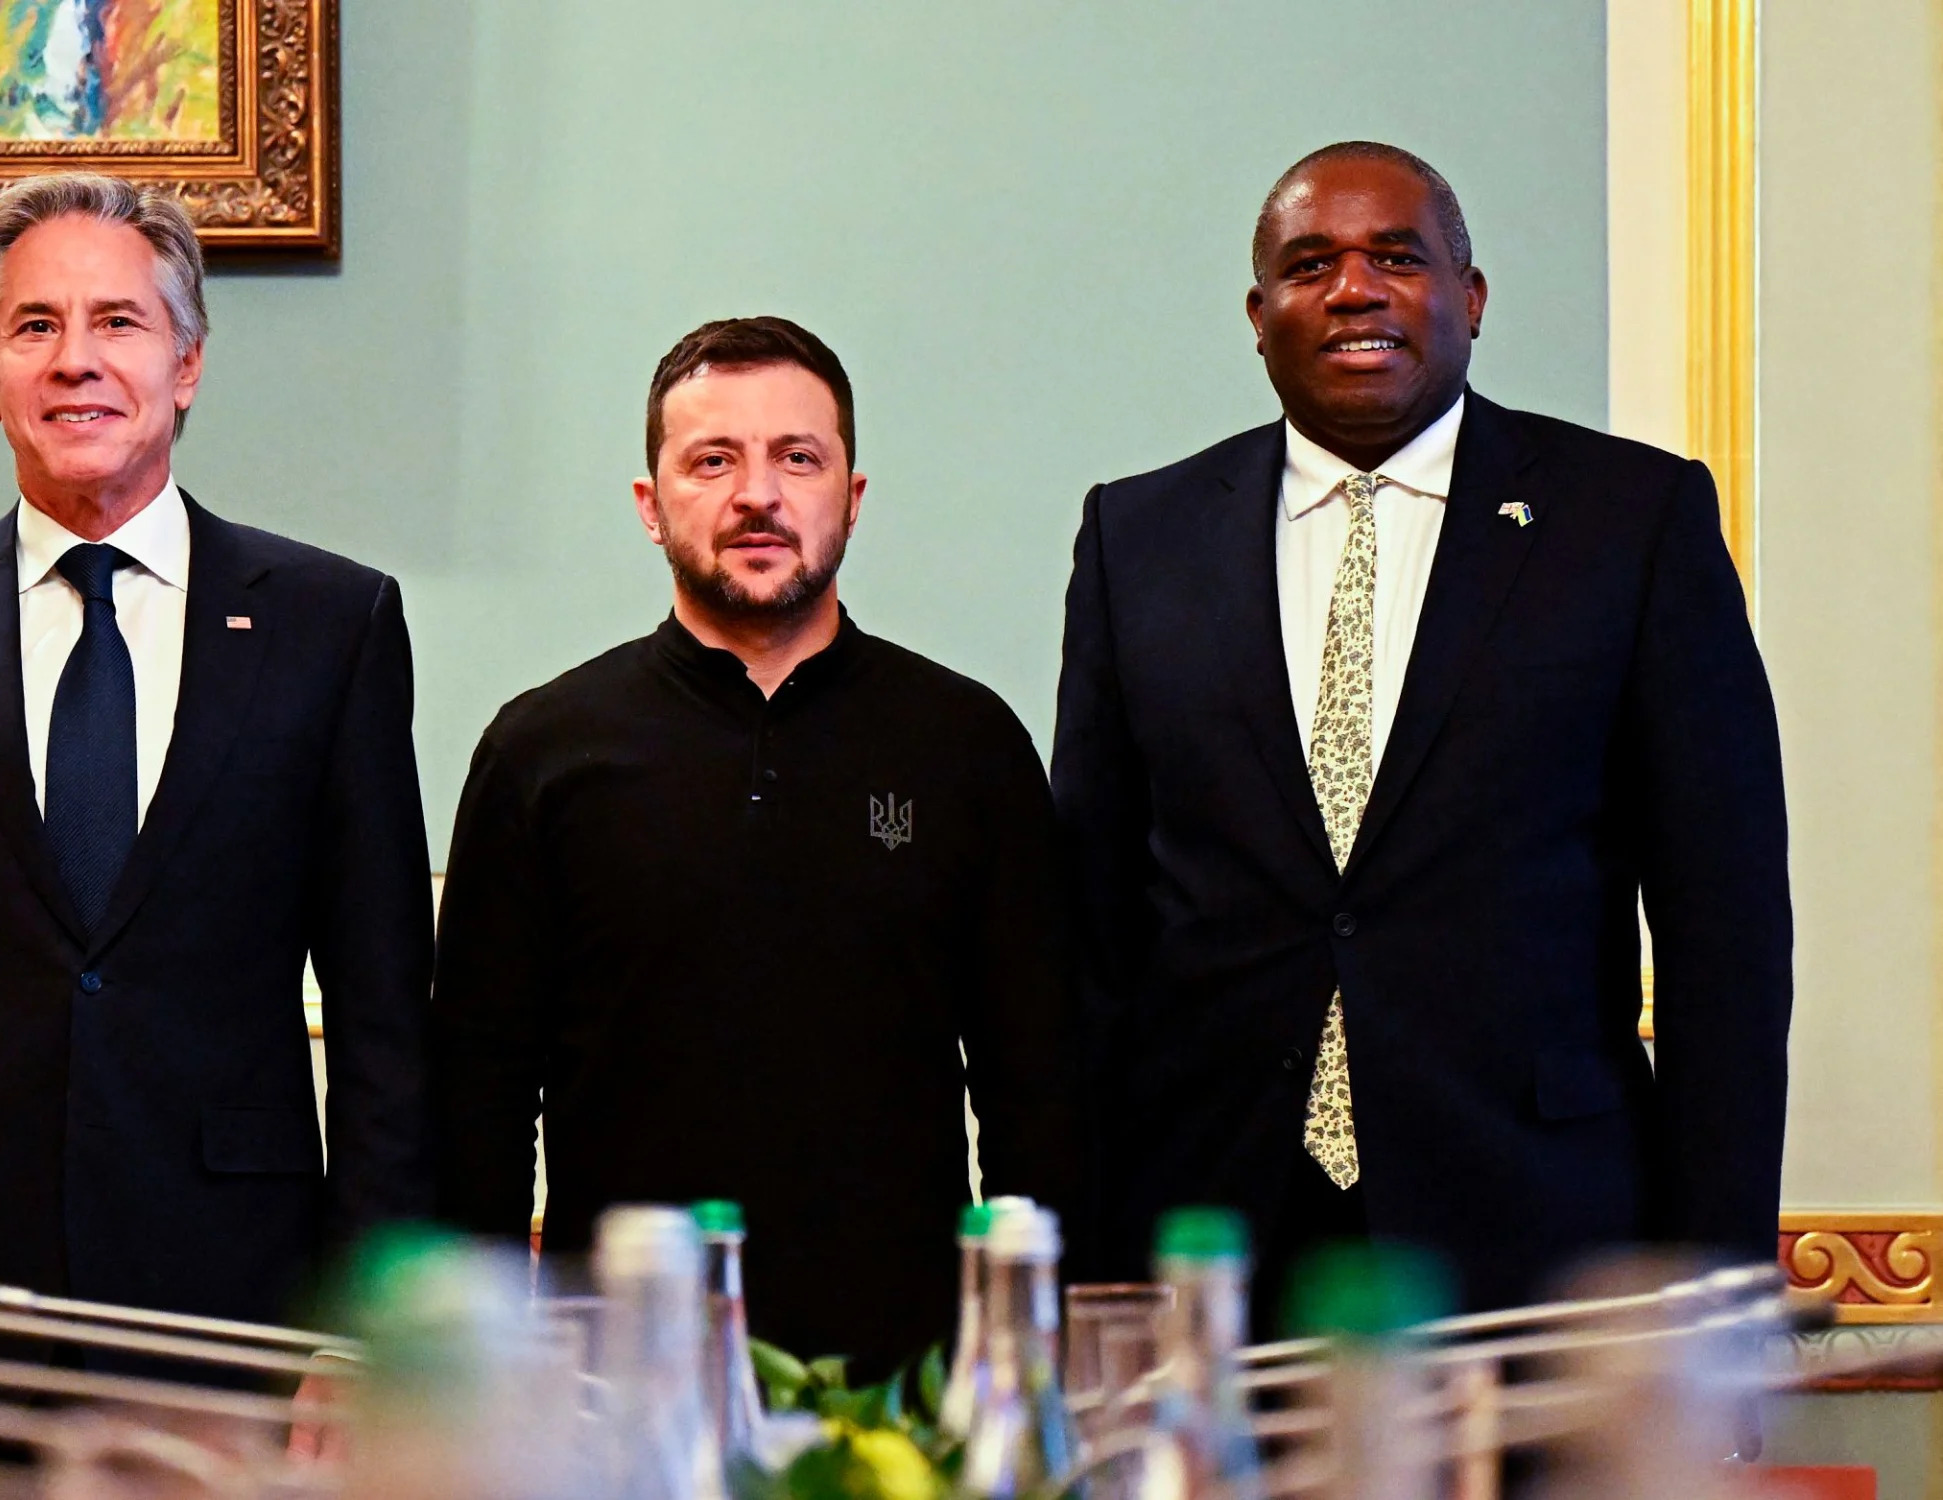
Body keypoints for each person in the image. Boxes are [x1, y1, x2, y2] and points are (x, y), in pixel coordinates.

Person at [0, 173, 434, 1495]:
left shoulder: (329, 627)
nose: (75, 360)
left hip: (237, 1314)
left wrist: (365, 1332)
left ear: (186, 366)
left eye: (117, 321)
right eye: (33, 326)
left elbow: (387, 1019)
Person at [1051, 142, 1790, 1330]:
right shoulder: (1137, 538)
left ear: (1470, 297)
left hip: (1539, 1237)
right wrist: (1081, 1274)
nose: (1353, 288)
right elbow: (1087, 936)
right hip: (1213, 1235)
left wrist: (1718, 1294)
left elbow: (1725, 938)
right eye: (1310, 265)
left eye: (1396, 257)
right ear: (1257, 315)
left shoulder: (1629, 521)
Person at [430, 316, 1079, 1373]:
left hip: (906, 1376)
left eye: (796, 458)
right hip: (617, 1377)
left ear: (851, 499)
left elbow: (1035, 1086)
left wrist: (1027, 1348)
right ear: (650, 505)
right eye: (711, 461)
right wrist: (483, 1371)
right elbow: (479, 1098)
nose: (756, 495)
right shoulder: (540, 751)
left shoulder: (966, 745)